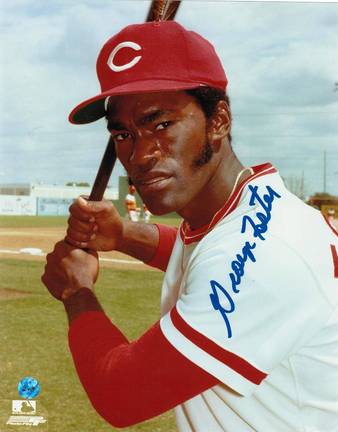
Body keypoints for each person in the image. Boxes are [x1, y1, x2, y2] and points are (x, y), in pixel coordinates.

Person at [42, 21, 338, 431]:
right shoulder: (252, 209)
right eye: (124, 133)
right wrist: (124, 234)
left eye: (161, 124)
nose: (141, 154)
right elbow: (202, 252)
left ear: (219, 120)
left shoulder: (268, 254)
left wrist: (77, 291)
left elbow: (122, 395)